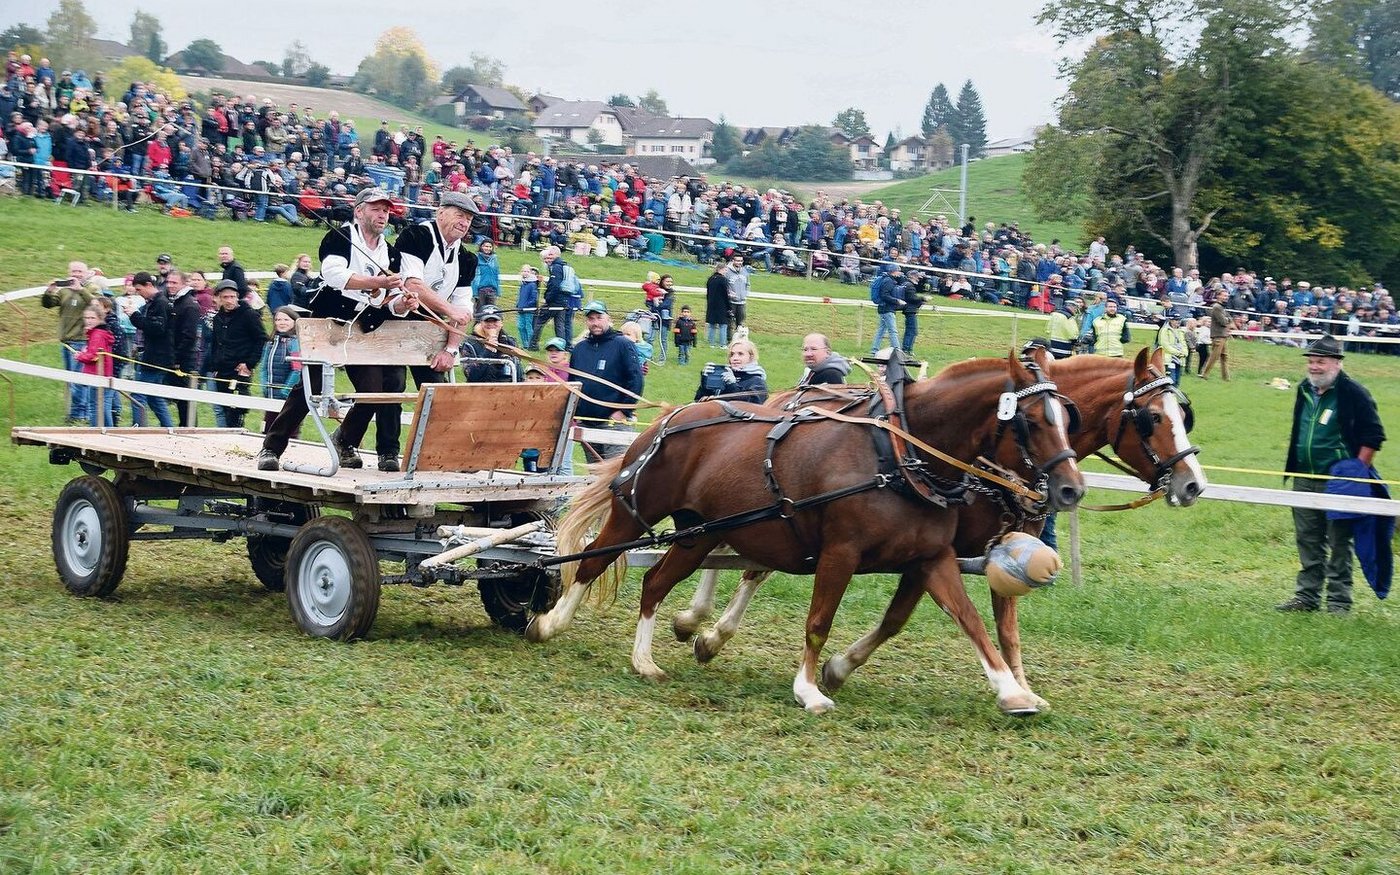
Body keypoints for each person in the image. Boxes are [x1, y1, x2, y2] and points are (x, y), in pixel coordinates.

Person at [257, 187, 413, 472]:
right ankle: (272, 447)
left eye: (386, 210)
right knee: (310, 387)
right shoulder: (340, 237)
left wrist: (403, 303)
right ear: (359, 211)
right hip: (329, 323)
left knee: (372, 392)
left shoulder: (391, 253)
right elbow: (334, 275)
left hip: (364, 327)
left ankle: (344, 439)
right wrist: (377, 283)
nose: (383, 215)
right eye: (376, 209)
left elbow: (386, 301)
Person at [1277, 335, 1386, 614]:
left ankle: (1338, 602)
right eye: (1311, 361)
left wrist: (1355, 472)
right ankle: (1307, 597)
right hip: (1304, 477)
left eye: (1320, 362)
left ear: (1336, 363)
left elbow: (1374, 435)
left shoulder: (1354, 392)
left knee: (1339, 542)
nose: (1314, 367)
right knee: (1307, 539)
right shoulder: (1303, 389)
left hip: (1338, 482)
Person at [569, 301, 643, 463]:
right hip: (587, 422)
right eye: (591, 319)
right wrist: (576, 413)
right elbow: (572, 383)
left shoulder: (623, 344)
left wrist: (623, 411)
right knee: (594, 472)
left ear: (608, 319)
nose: (595, 322)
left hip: (614, 423)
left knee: (615, 471)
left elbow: (636, 380)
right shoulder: (579, 349)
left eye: (599, 317)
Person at [205, 279, 267, 429]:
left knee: (237, 409)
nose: (229, 300)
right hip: (222, 370)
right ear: (219, 298)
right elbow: (216, 343)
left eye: (232, 297)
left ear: (237, 297)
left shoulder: (249, 315)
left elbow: (261, 339)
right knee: (223, 407)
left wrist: (250, 364)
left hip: (239, 370)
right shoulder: (218, 318)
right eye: (225, 297)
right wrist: (215, 365)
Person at [42, 261, 98, 424]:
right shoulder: (64, 290)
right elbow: (48, 304)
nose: (76, 274)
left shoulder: (92, 288)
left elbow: (97, 305)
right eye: (74, 271)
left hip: (82, 340)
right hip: (66, 341)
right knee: (70, 379)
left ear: (86, 273)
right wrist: (49, 291)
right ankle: (77, 412)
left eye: (80, 271)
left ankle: (79, 414)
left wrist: (81, 290)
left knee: (79, 380)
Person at [126, 271, 175, 428]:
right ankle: (169, 429)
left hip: (156, 357)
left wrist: (134, 315)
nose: (138, 293)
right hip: (156, 356)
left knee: (138, 394)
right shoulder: (154, 303)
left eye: (139, 289)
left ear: (148, 285)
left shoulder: (160, 303)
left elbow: (157, 329)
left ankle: (138, 427)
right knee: (154, 397)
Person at [168, 270, 204, 427]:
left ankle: (189, 427)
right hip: (178, 356)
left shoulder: (189, 305)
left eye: (174, 283)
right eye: (169, 282)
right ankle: (185, 425)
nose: (170, 285)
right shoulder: (177, 302)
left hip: (184, 359)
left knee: (185, 398)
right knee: (179, 398)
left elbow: (189, 336)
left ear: (183, 284)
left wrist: (177, 358)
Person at [260, 306, 302, 428]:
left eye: (286, 319)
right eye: (278, 320)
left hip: (288, 398)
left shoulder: (295, 343)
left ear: (294, 322)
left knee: (287, 428)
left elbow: (297, 370)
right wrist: (265, 386)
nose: (281, 323)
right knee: (268, 427)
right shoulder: (270, 343)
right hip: (270, 395)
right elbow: (264, 367)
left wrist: (285, 391)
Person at [75, 305, 116, 427]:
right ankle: (108, 430)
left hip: (98, 374)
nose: (89, 320)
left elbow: (93, 356)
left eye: (92, 318)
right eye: (86, 318)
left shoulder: (97, 334)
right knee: (103, 406)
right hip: (104, 373)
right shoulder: (100, 333)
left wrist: (79, 356)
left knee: (95, 407)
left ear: (100, 318)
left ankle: (97, 431)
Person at [695, 338, 768, 405]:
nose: (735, 358)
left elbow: (753, 406)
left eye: (740, 354)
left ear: (751, 357)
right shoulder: (724, 376)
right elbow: (698, 401)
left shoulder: (757, 381)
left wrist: (732, 385)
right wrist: (705, 382)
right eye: (732, 354)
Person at [459, 305, 518, 383]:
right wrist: (488, 350)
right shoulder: (469, 344)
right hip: (480, 387)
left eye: (495, 321)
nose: (491, 324)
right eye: (487, 321)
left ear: (501, 323)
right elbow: (471, 376)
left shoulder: (510, 342)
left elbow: (518, 372)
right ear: (480, 323)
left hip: (509, 386)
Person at [869, 266, 905, 355]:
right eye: (899, 271)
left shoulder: (886, 279)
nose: (900, 273)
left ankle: (874, 350)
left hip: (883, 308)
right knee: (893, 331)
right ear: (894, 271)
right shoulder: (889, 281)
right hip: (887, 309)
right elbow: (884, 295)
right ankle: (897, 351)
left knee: (881, 331)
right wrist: (897, 301)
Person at [1200, 289, 1232, 381]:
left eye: (1227, 296)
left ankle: (1226, 377)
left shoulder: (1221, 307)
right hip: (1218, 335)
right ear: (1218, 296)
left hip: (1223, 335)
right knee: (1214, 356)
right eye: (1224, 296)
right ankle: (1204, 374)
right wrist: (1228, 320)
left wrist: (1227, 319)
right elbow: (1223, 321)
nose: (1226, 297)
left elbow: (1228, 318)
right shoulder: (1217, 307)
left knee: (1224, 356)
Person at [1156, 312, 1189, 384]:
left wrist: (1185, 352)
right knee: (1171, 380)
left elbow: (1183, 343)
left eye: (1179, 320)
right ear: (1171, 320)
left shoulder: (1180, 331)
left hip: (1179, 360)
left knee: (1177, 381)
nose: (1178, 322)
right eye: (1176, 320)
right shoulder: (1165, 330)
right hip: (1169, 360)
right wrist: (1178, 353)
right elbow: (1165, 345)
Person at [724, 254, 751, 338]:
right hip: (731, 302)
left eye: (741, 261)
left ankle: (740, 339)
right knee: (729, 322)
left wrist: (746, 294)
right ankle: (729, 339)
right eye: (737, 261)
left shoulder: (745, 271)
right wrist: (728, 293)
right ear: (733, 261)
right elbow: (724, 285)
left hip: (742, 302)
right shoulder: (727, 272)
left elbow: (748, 284)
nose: (739, 262)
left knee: (740, 323)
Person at [705, 261, 730, 348]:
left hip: (711, 304)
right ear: (721, 269)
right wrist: (728, 306)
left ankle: (711, 343)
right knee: (723, 325)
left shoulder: (711, 279)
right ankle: (722, 344)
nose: (726, 271)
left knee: (712, 325)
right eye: (725, 270)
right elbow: (725, 294)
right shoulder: (723, 280)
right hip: (721, 305)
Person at [516, 265, 540, 349]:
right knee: (520, 326)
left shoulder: (532, 284)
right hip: (521, 308)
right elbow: (521, 296)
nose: (525, 273)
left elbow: (534, 298)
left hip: (528, 310)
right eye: (524, 271)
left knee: (528, 327)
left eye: (527, 271)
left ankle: (530, 344)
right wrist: (518, 304)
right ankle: (525, 344)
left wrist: (526, 306)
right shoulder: (523, 284)